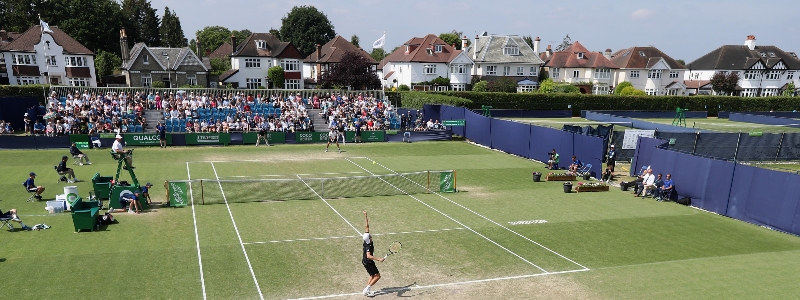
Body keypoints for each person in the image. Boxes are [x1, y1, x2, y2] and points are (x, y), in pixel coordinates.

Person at [361, 211, 384, 297]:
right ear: (369, 239)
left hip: (364, 261)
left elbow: (367, 227)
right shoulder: (369, 245)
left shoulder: (366, 239)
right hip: (368, 261)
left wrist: (366, 216)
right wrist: (379, 259)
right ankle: (366, 289)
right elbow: (368, 256)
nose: (371, 236)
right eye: (370, 236)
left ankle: (367, 290)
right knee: (377, 276)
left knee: (372, 275)